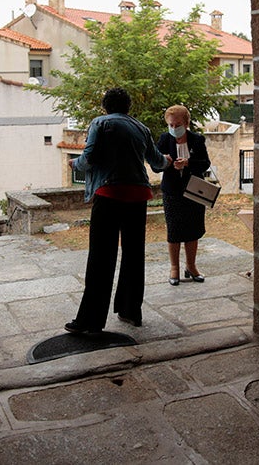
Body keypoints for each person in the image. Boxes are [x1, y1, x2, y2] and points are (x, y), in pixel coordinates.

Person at [65, 87, 172, 333]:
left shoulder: (100, 123)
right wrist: (168, 161)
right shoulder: (142, 128)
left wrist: (75, 163)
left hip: (109, 194)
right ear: (128, 107)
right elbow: (157, 162)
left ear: (105, 106)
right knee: (134, 255)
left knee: (101, 257)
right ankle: (131, 311)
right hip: (138, 196)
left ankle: (90, 321)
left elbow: (89, 158)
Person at [156, 104, 212, 286]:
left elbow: (205, 163)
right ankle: (174, 268)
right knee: (174, 230)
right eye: (171, 125)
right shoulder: (164, 139)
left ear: (186, 123)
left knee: (192, 229)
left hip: (194, 190)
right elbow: (155, 165)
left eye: (177, 124)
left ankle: (191, 266)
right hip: (172, 192)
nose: (174, 128)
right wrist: (165, 162)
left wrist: (188, 163)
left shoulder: (197, 139)